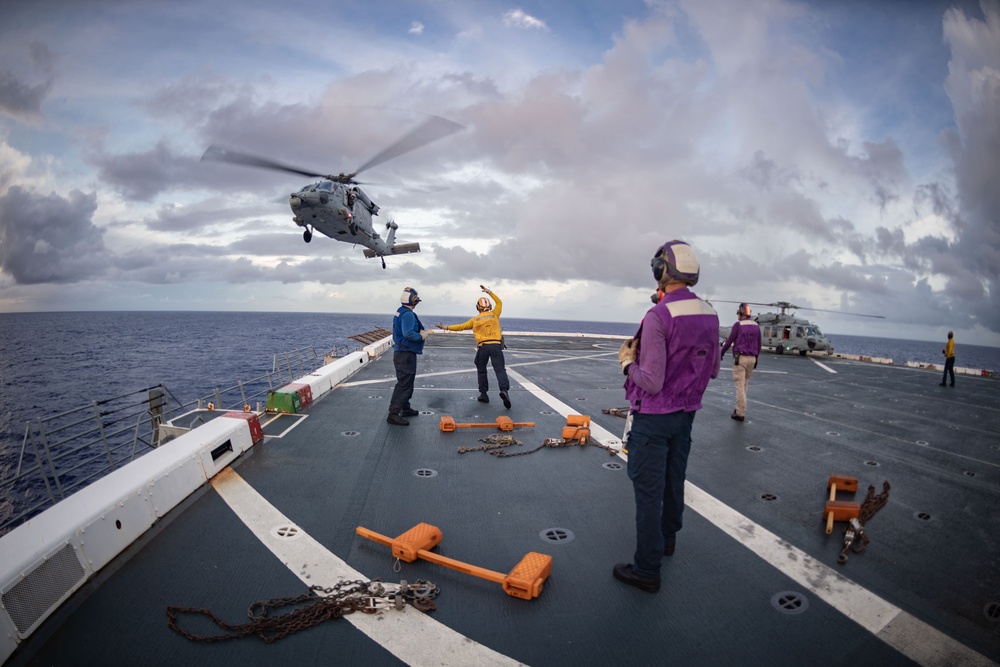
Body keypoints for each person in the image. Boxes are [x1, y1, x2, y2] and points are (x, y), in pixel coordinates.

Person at [613, 240, 720, 594]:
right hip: (686, 415)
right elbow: (715, 369)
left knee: (648, 491)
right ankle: (668, 539)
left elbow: (652, 382)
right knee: (675, 480)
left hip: (654, 419)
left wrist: (627, 363)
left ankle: (647, 569)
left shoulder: (658, 316)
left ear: (661, 272)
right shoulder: (710, 313)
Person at [437, 285, 512, 408]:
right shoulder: (495, 314)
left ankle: (484, 394)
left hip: (483, 347)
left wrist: (446, 327)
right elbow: (499, 302)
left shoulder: (475, 320)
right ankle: (504, 390)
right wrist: (489, 292)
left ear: (478, 307)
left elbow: (461, 327)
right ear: (489, 306)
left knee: (481, 369)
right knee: (500, 370)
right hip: (496, 346)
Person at [387, 287, 429, 426]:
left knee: (405, 382)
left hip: (401, 352)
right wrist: (421, 336)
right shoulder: (408, 314)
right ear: (414, 300)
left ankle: (405, 408)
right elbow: (408, 333)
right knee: (404, 384)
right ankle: (393, 414)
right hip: (405, 354)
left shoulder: (400, 311)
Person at [720, 303, 762, 422]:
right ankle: (739, 408)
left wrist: (721, 353)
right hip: (752, 358)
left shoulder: (738, 325)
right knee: (745, 385)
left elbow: (729, 342)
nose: (737, 315)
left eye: (738, 313)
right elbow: (759, 344)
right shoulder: (756, 325)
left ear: (741, 313)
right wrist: (756, 358)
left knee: (739, 385)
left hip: (741, 358)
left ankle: (740, 413)